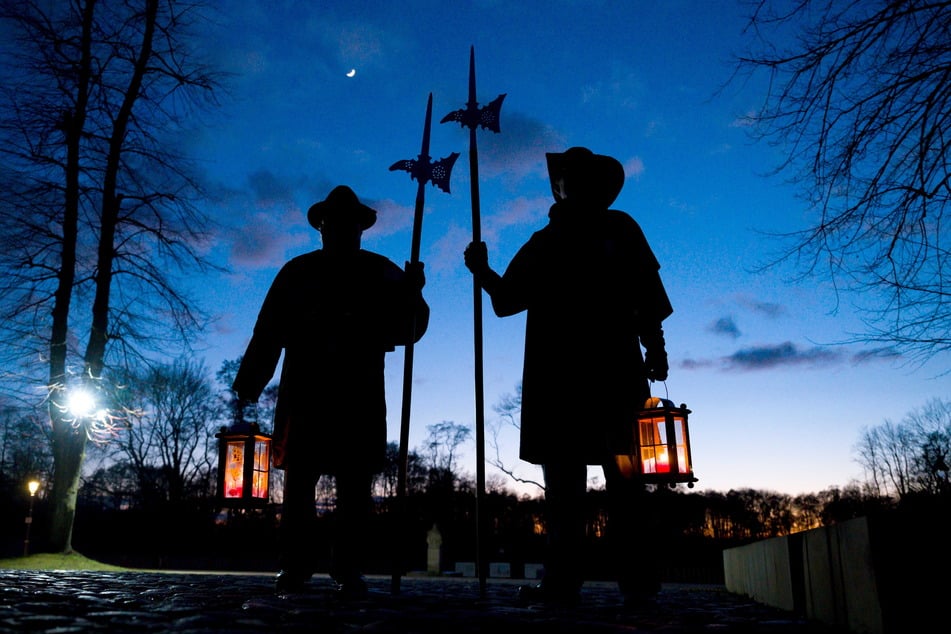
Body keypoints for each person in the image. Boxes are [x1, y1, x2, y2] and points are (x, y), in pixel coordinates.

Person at [464, 147, 673, 607]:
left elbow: (647, 292)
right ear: (561, 188)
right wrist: (483, 272)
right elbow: (506, 300)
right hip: (559, 384)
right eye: (567, 179)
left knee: (623, 480)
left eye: (581, 179)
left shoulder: (620, 229)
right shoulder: (545, 241)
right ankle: (564, 578)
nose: (572, 186)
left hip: (611, 379)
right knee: (564, 485)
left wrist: (654, 345)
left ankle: (635, 577)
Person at [232, 185, 429, 597]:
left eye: (347, 224)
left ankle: (348, 567)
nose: (339, 230)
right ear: (321, 227)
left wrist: (415, 294)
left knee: (355, 486)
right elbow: (268, 329)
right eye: (331, 224)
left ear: (360, 228)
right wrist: (251, 380)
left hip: (359, 389)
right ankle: (295, 565)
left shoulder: (382, 272)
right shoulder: (297, 272)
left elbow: (408, 329)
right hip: (307, 391)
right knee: (301, 483)